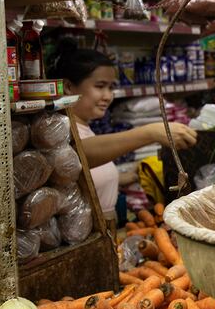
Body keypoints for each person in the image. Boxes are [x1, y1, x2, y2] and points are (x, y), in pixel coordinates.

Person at [51, 45, 196, 218]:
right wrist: (150, 132)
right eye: (100, 86)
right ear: (68, 87)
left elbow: (84, 177)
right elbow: (78, 155)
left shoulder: (84, 127)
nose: (108, 96)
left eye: (111, 87)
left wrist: (126, 176)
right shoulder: (58, 129)